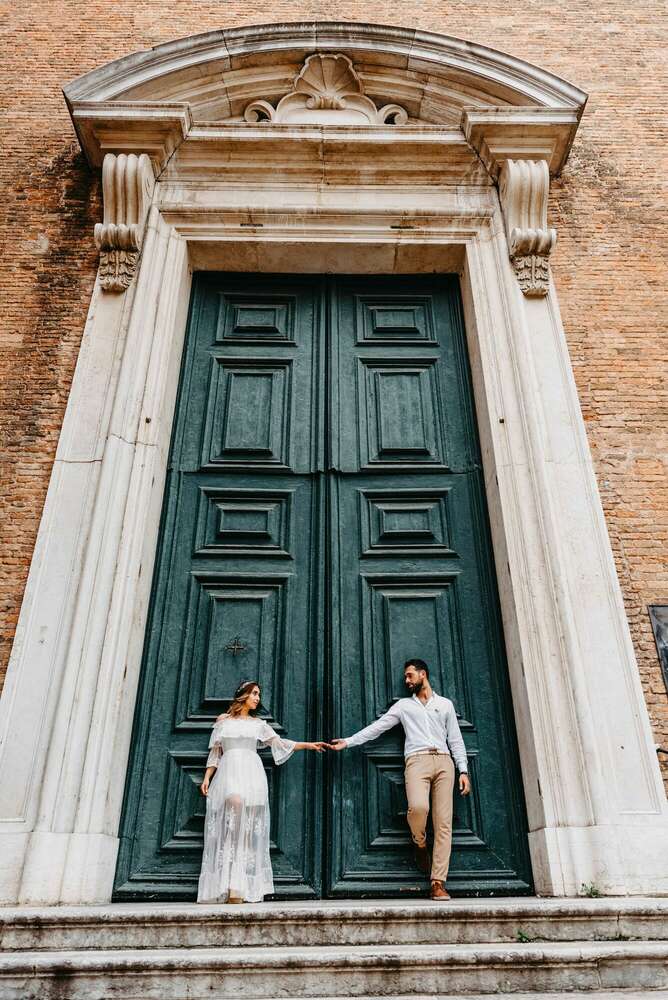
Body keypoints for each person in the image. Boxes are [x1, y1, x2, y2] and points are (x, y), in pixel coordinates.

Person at [330, 658, 471, 900]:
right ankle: (419, 842)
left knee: (444, 823)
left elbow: (455, 739)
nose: (406, 681)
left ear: (423, 674)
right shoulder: (403, 706)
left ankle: (437, 882)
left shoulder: (445, 705)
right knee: (418, 808)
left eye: (409, 676)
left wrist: (463, 770)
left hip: (444, 762)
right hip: (417, 761)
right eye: (406, 677)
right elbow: (378, 727)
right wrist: (349, 741)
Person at [198, 679, 326, 903]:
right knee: (232, 818)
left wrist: (307, 745)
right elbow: (216, 753)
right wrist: (207, 777)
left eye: (259, 694)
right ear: (243, 695)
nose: (257, 698)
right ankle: (225, 883)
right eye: (254, 693)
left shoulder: (258, 724)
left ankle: (238, 888)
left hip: (251, 773)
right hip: (228, 771)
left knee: (245, 831)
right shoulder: (223, 721)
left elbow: (279, 743)